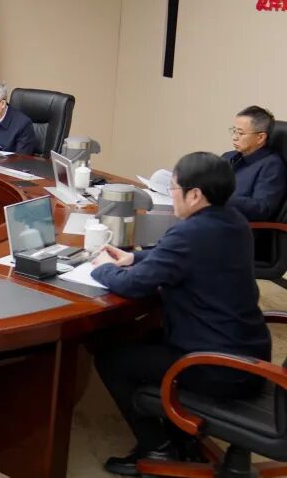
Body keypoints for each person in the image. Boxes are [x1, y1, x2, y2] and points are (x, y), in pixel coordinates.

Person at [90, 152, 270, 476]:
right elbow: (180, 256)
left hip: (215, 365)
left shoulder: (190, 233)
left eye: (173, 188)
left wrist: (102, 268)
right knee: (143, 336)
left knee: (111, 359)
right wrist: (135, 258)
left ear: (195, 194)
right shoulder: (234, 221)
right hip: (249, 352)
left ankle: (157, 447)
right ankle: (180, 435)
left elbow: (133, 285)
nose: (171, 195)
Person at [222, 105, 286, 222]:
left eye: (240, 133)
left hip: (241, 226)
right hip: (215, 217)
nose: (234, 137)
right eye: (234, 131)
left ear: (260, 137)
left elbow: (262, 209)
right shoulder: (227, 157)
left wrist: (222, 198)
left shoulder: (272, 166)